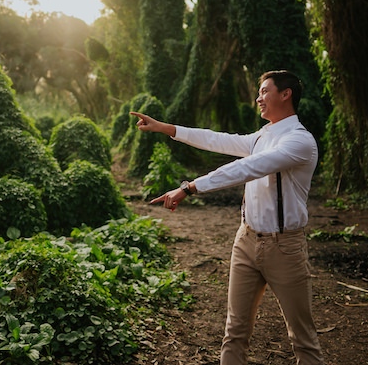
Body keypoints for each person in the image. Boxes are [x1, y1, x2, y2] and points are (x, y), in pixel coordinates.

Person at [131, 70, 323, 365]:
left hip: (284, 248)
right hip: (245, 241)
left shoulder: (300, 142)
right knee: (234, 332)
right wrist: (165, 128)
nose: (258, 98)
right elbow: (216, 140)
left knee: (303, 340)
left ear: (286, 94)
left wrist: (189, 187)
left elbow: (249, 168)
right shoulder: (262, 136)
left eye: (264, 91)